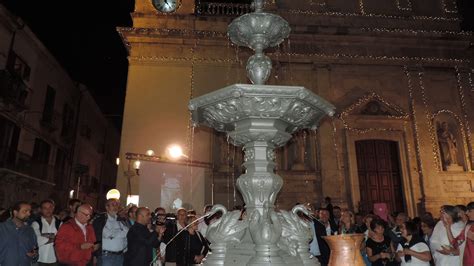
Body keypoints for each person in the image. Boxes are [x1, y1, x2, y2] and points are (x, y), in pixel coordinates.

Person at [0, 201, 38, 266]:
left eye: (29, 211)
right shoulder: (2, 228)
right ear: (15, 213)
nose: (28, 214)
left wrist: (34, 254)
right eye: (25, 211)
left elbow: (35, 249)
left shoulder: (30, 230)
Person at [92, 199, 128, 265]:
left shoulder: (121, 220)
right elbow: (106, 234)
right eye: (113, 205)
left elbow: (127, 233)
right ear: (107, 207)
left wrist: (114, 234)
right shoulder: (101, 220)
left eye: (117, 205)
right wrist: (120, 232)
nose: (115, 207)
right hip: (106, 256)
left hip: (120, 256)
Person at [31, 199, 62, 266]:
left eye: (50, 207)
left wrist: (44, 235)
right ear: (41, 209)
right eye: (45, 208)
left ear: (53, 208)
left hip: (55, 259)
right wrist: (55, 237)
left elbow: (63, 239)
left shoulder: (59, 223)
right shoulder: (36, 223)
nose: (48, 210)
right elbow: (37, 240)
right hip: (39, 259)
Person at [446, 202, 474, 266]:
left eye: (470, 211)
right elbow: (455, 243)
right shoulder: (468, 227)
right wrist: (448, 228)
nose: (466, 213)